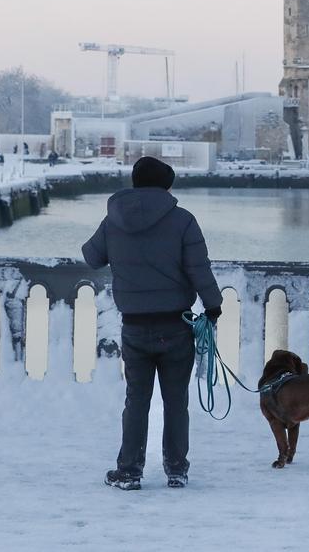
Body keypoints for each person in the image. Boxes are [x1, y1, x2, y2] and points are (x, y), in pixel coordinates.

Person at [82, 156, 224, 491]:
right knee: (176, 401)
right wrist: (214, 306)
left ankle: (129, 470)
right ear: (166, 186)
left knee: (137, 400)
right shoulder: (183, 220)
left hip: (134, 326)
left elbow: (91, 257)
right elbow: (199, 269)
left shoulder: (113, 219)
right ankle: (176, 469)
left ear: (134, 182)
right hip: (175, 325)